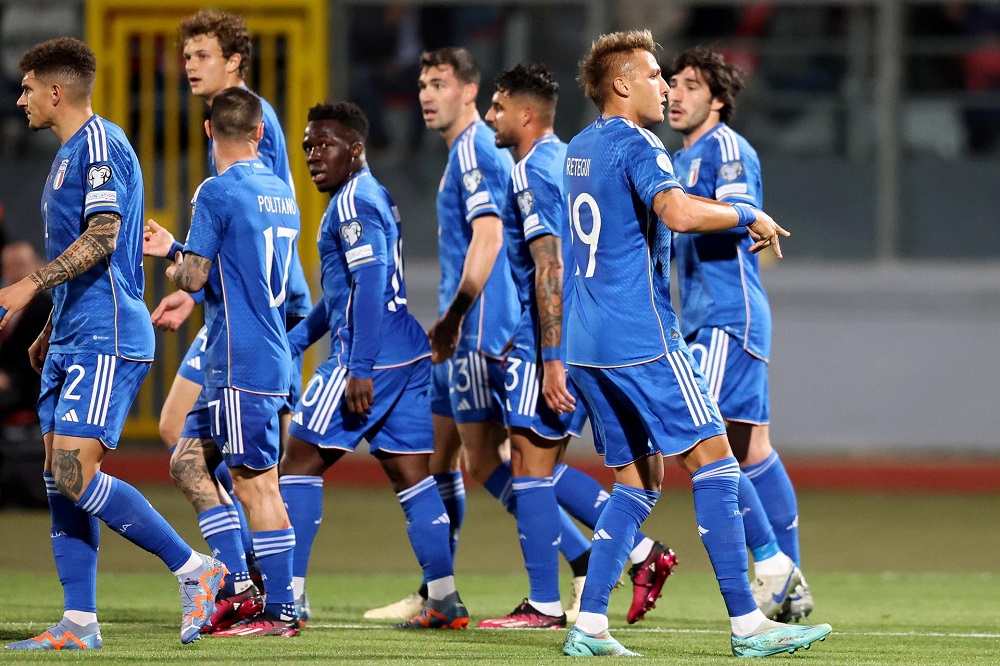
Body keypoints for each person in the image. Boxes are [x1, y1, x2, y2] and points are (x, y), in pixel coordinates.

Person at [559, 30, 831, 658]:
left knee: (637, 481)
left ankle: (590, 625)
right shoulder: (638, 144)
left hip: (587, 343)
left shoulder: (579, 148)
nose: (663, 84)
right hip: (642, 337)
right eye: (655, 75)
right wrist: (746, 215)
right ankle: (749, 623)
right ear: (622, 84)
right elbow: (678, 213)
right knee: (718, 462)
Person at [0, 37, 224, 650]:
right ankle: (79, 623)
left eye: (26, 89)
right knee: (57, 474)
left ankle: (196, 570)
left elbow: (103, 237)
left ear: (55, 91)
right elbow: (87, 256)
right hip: (74, 334)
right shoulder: (66, 156)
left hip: (108, 332)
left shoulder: (101, 146)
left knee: (75, 471)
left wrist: (28, 288)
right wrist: (49, 329)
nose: (19, 100)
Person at [365, 47, 598, 623]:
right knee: (451, 457)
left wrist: (461, 320)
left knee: (500, 462)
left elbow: (494, 239)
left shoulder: (480, 154)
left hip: (485, 334)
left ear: (469, 93)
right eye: (421, 83)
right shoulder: (498, 155)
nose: (425, 94)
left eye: (439, 83)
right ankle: (437, 589)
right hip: (501, 332)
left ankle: (595, 556)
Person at [477, 63, 678, 629]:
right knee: (530, 462)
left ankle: (546, 600)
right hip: (588, 331)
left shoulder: (533, 169)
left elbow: (551, 265)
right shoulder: (571, 157)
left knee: (531, 465)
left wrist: (550, 354)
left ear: (525, 113)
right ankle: (636, 554)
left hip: (558, 336)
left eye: (497, 107)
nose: (491, 117)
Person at [150, 8, 313, 627]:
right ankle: (243, 577)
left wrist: (179, 261)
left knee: (254, 478)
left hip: (252, 327)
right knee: (186, 448)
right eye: (186, 56)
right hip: (243, 313)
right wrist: (197, 290)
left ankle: (277, 598)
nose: (190, 65)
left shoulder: (241, 131)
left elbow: (218, 249)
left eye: (202, 55)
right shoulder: (259, 167)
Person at [279, 101, 468, 630]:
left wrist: (358, 366)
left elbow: (369, 283)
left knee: (298, 464)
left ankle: (287, 598)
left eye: (325, 145)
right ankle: (445, 599)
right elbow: (343, 293)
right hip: (406, 352)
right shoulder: (370, 195)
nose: (314, 156)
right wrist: (297, 340)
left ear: (354, 149)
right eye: (308, 147)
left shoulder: (352, 202)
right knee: (411, 474)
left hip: (370, 356)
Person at [667, 46, 812, 623]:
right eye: (673, 82)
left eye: (693, 85)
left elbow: (740, 208)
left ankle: (773, 569)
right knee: (753, 450)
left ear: (719, 100)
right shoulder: (679, 160)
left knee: (696, 433)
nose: (677, 93)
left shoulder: (724, 147)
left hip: (729, 314)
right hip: (719, 316)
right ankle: (790, 589)